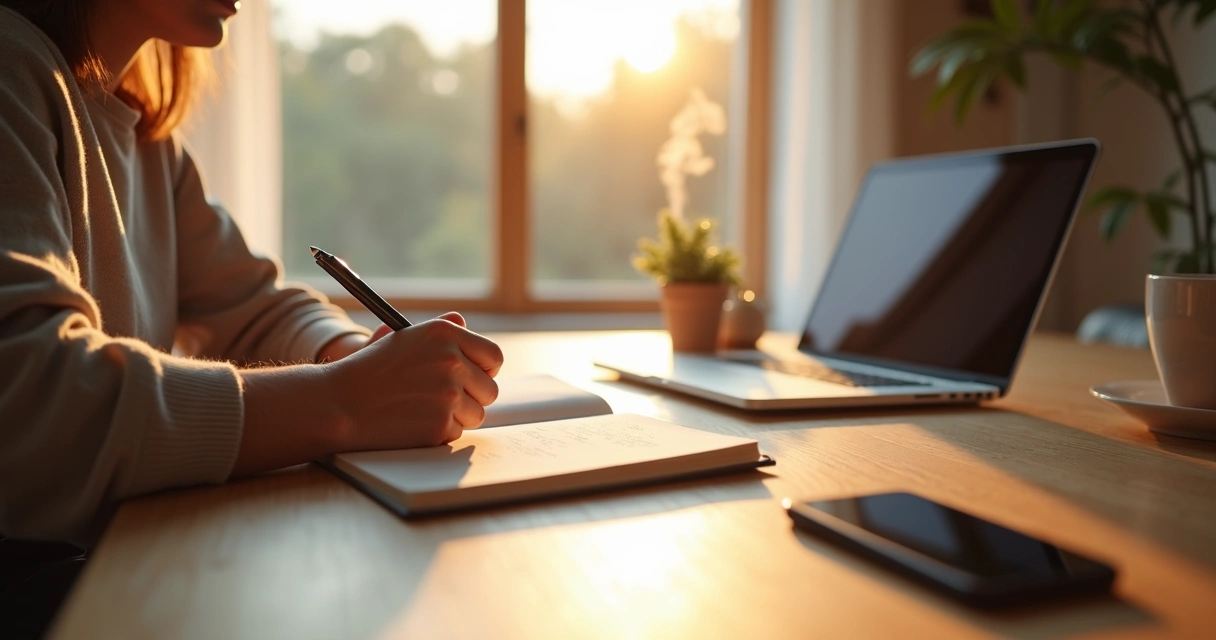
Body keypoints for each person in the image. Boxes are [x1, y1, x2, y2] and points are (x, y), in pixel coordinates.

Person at [0, 1, 503, 635]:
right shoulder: (9, 69)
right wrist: (345, 401)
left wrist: (350, 354)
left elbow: (253, 305)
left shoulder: (149, 142)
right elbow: (30, 401)